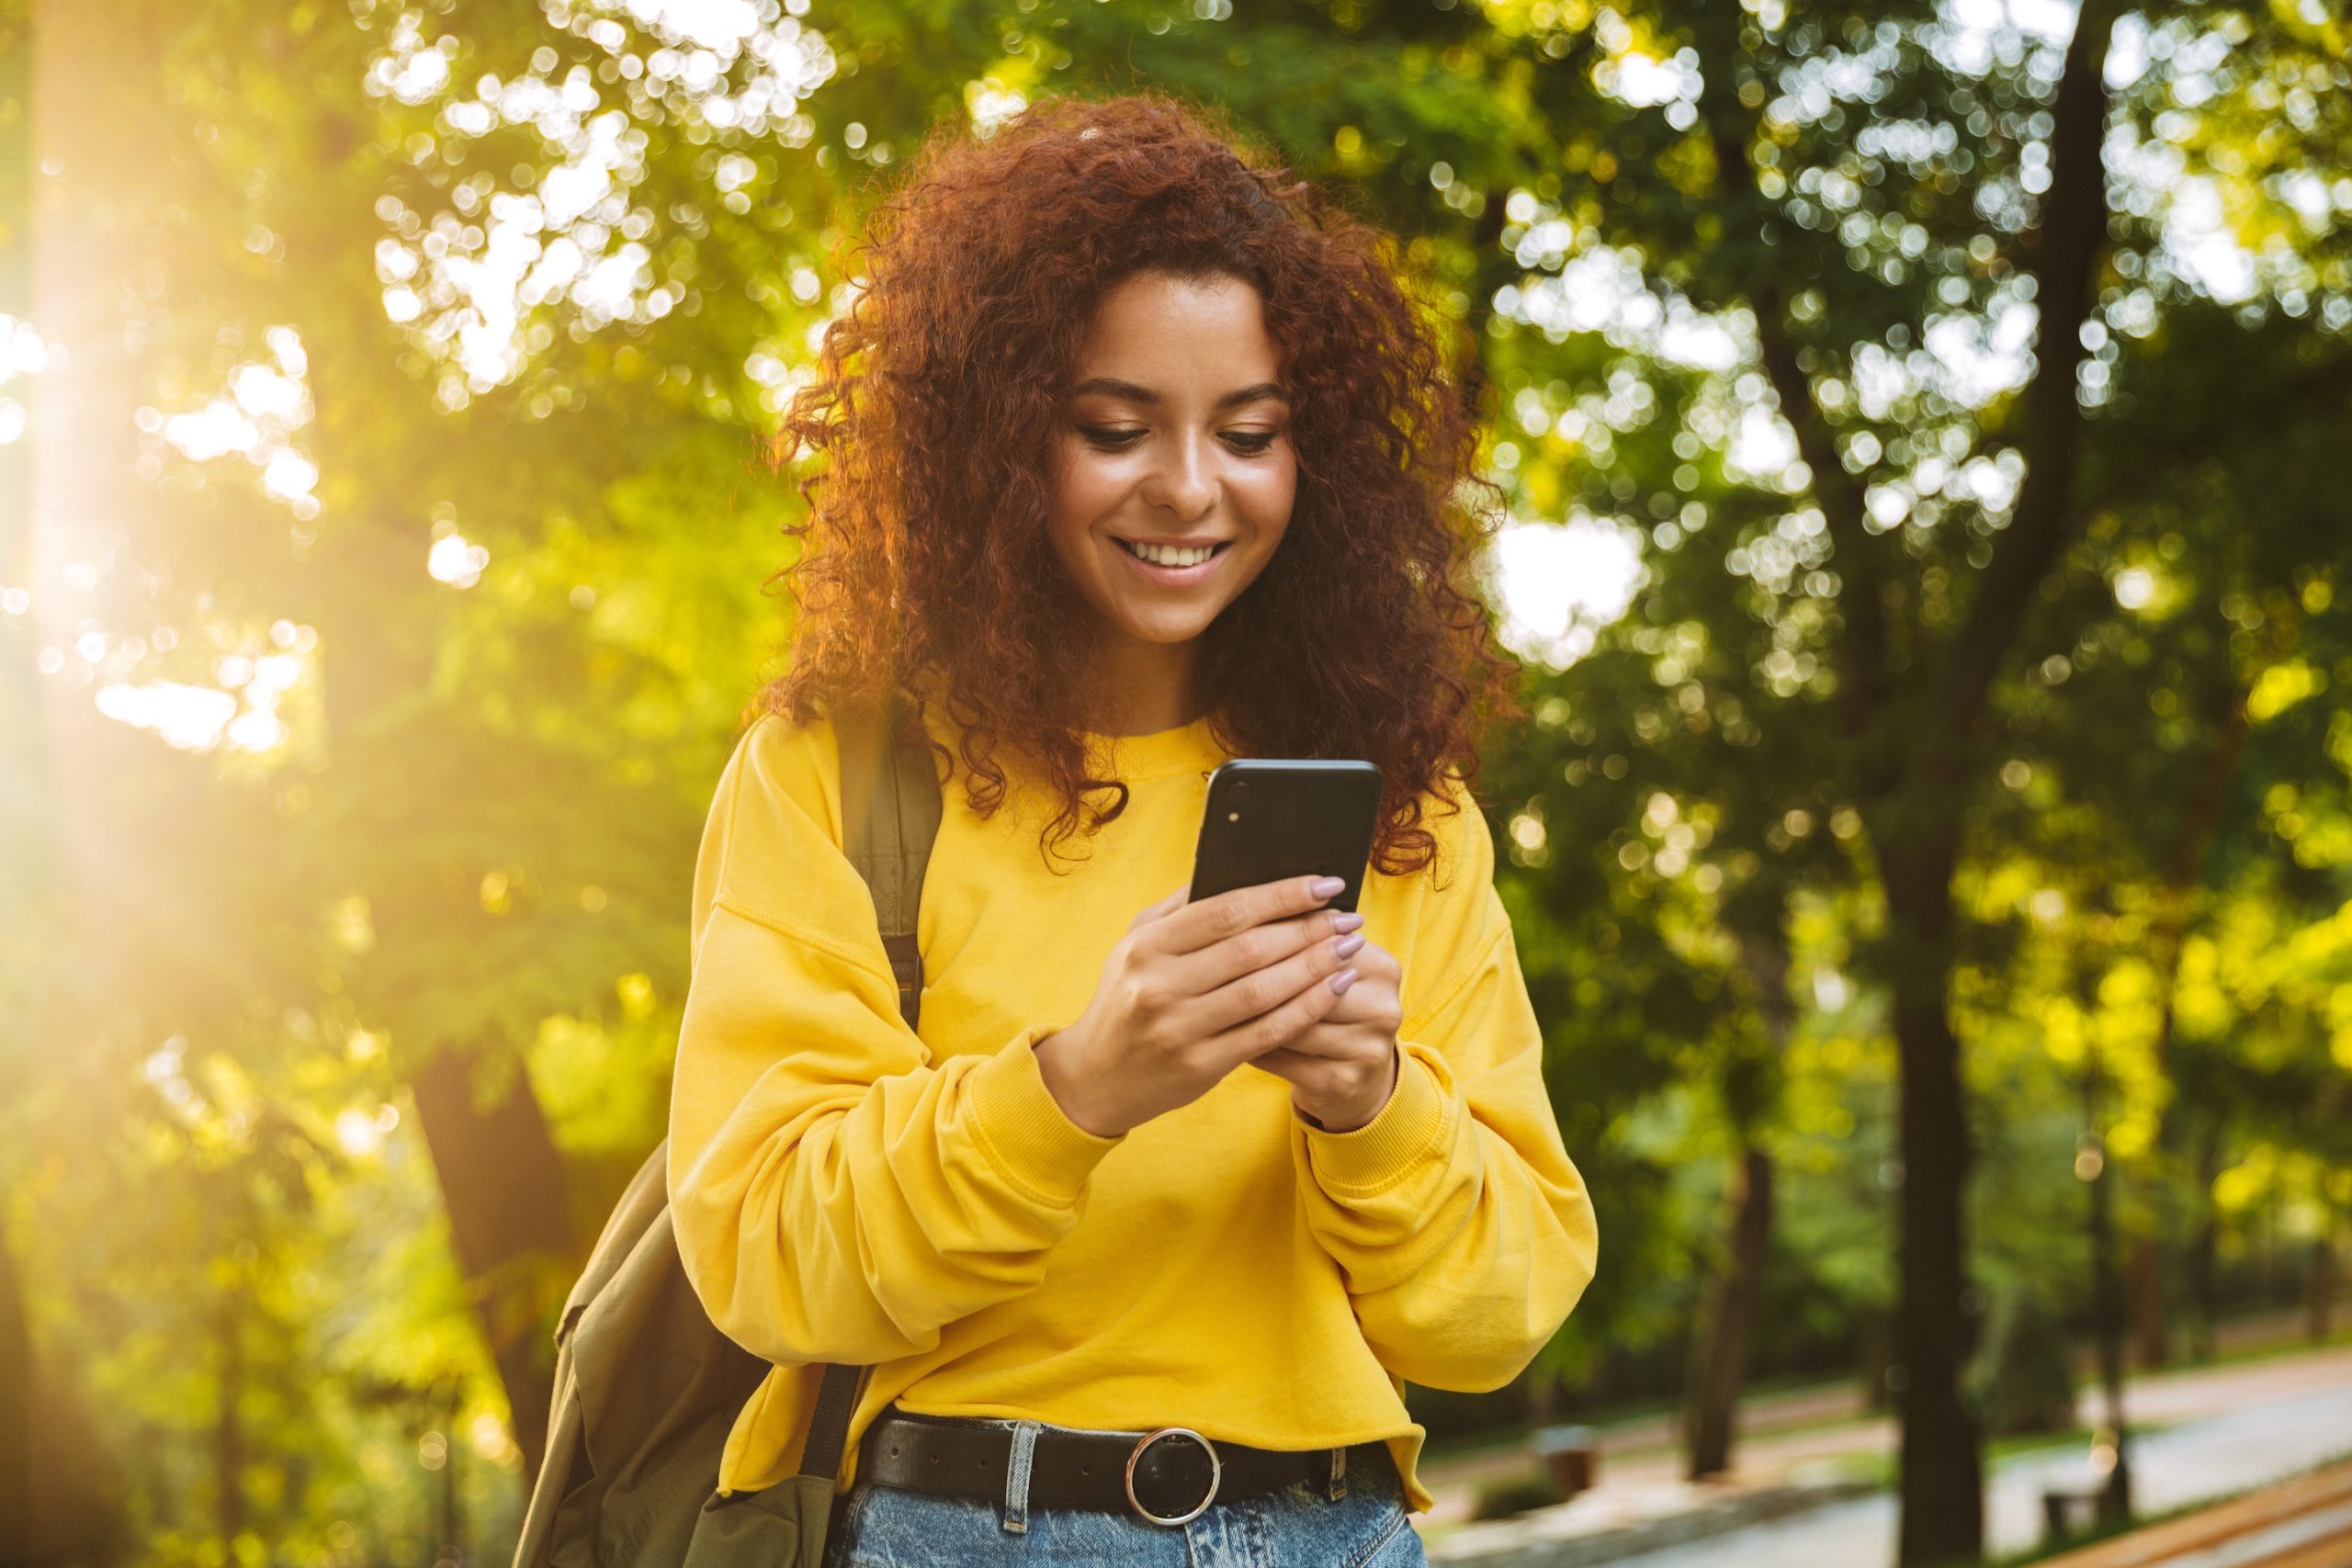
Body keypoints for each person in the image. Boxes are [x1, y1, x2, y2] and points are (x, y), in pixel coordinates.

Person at [667, 92, 1599, 1566]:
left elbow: (1502, 1311)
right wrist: (1079, 1086)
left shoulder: (1401, 805)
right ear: (998, 444)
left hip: (1330, 1532)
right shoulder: (838, 777)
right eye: (1115, 428)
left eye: (1250, 432)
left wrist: (1377, 1107)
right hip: (964, 1528)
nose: (1188, 488)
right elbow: (765, 1250)